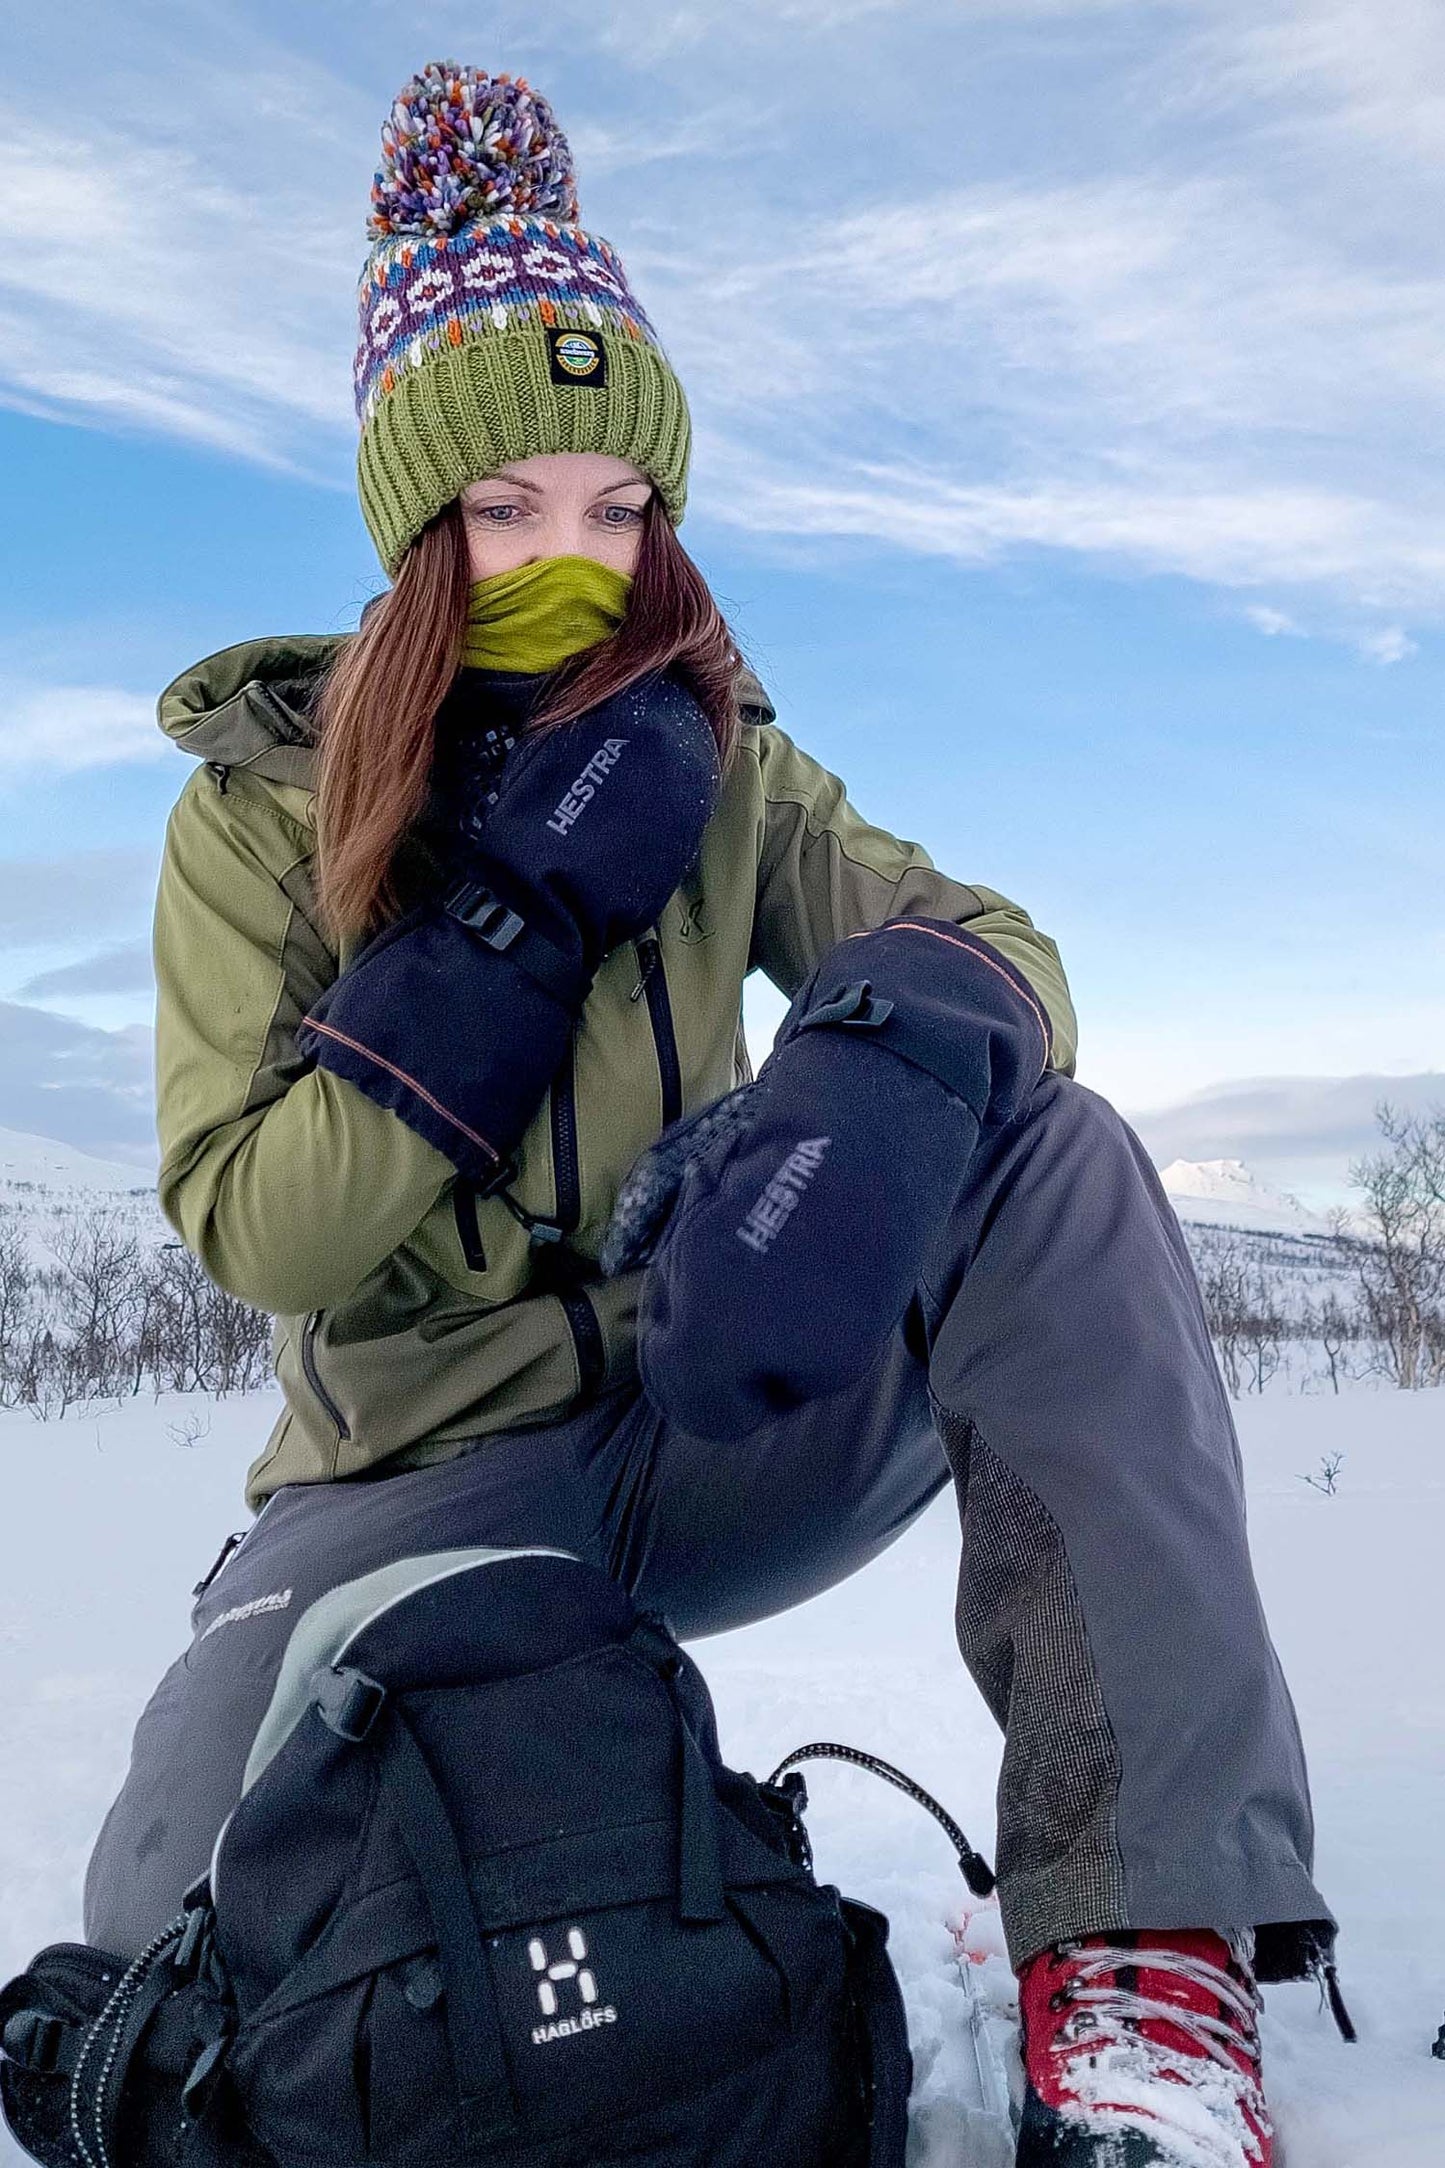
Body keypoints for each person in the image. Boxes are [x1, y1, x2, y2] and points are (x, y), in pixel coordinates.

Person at [83, 61, 1335, 2167]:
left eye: (617, 508)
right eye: (508, 509)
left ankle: (1141, 1942)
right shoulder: (255, 821)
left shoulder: (720, 755)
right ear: (418, 527)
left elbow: (997, 943)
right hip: (417, 1481)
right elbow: (257, 1225)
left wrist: (863, 1074)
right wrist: (501, 931)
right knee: (157, 1959)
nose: (570, 558)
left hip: (726, 1397)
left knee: (1057, 1154)